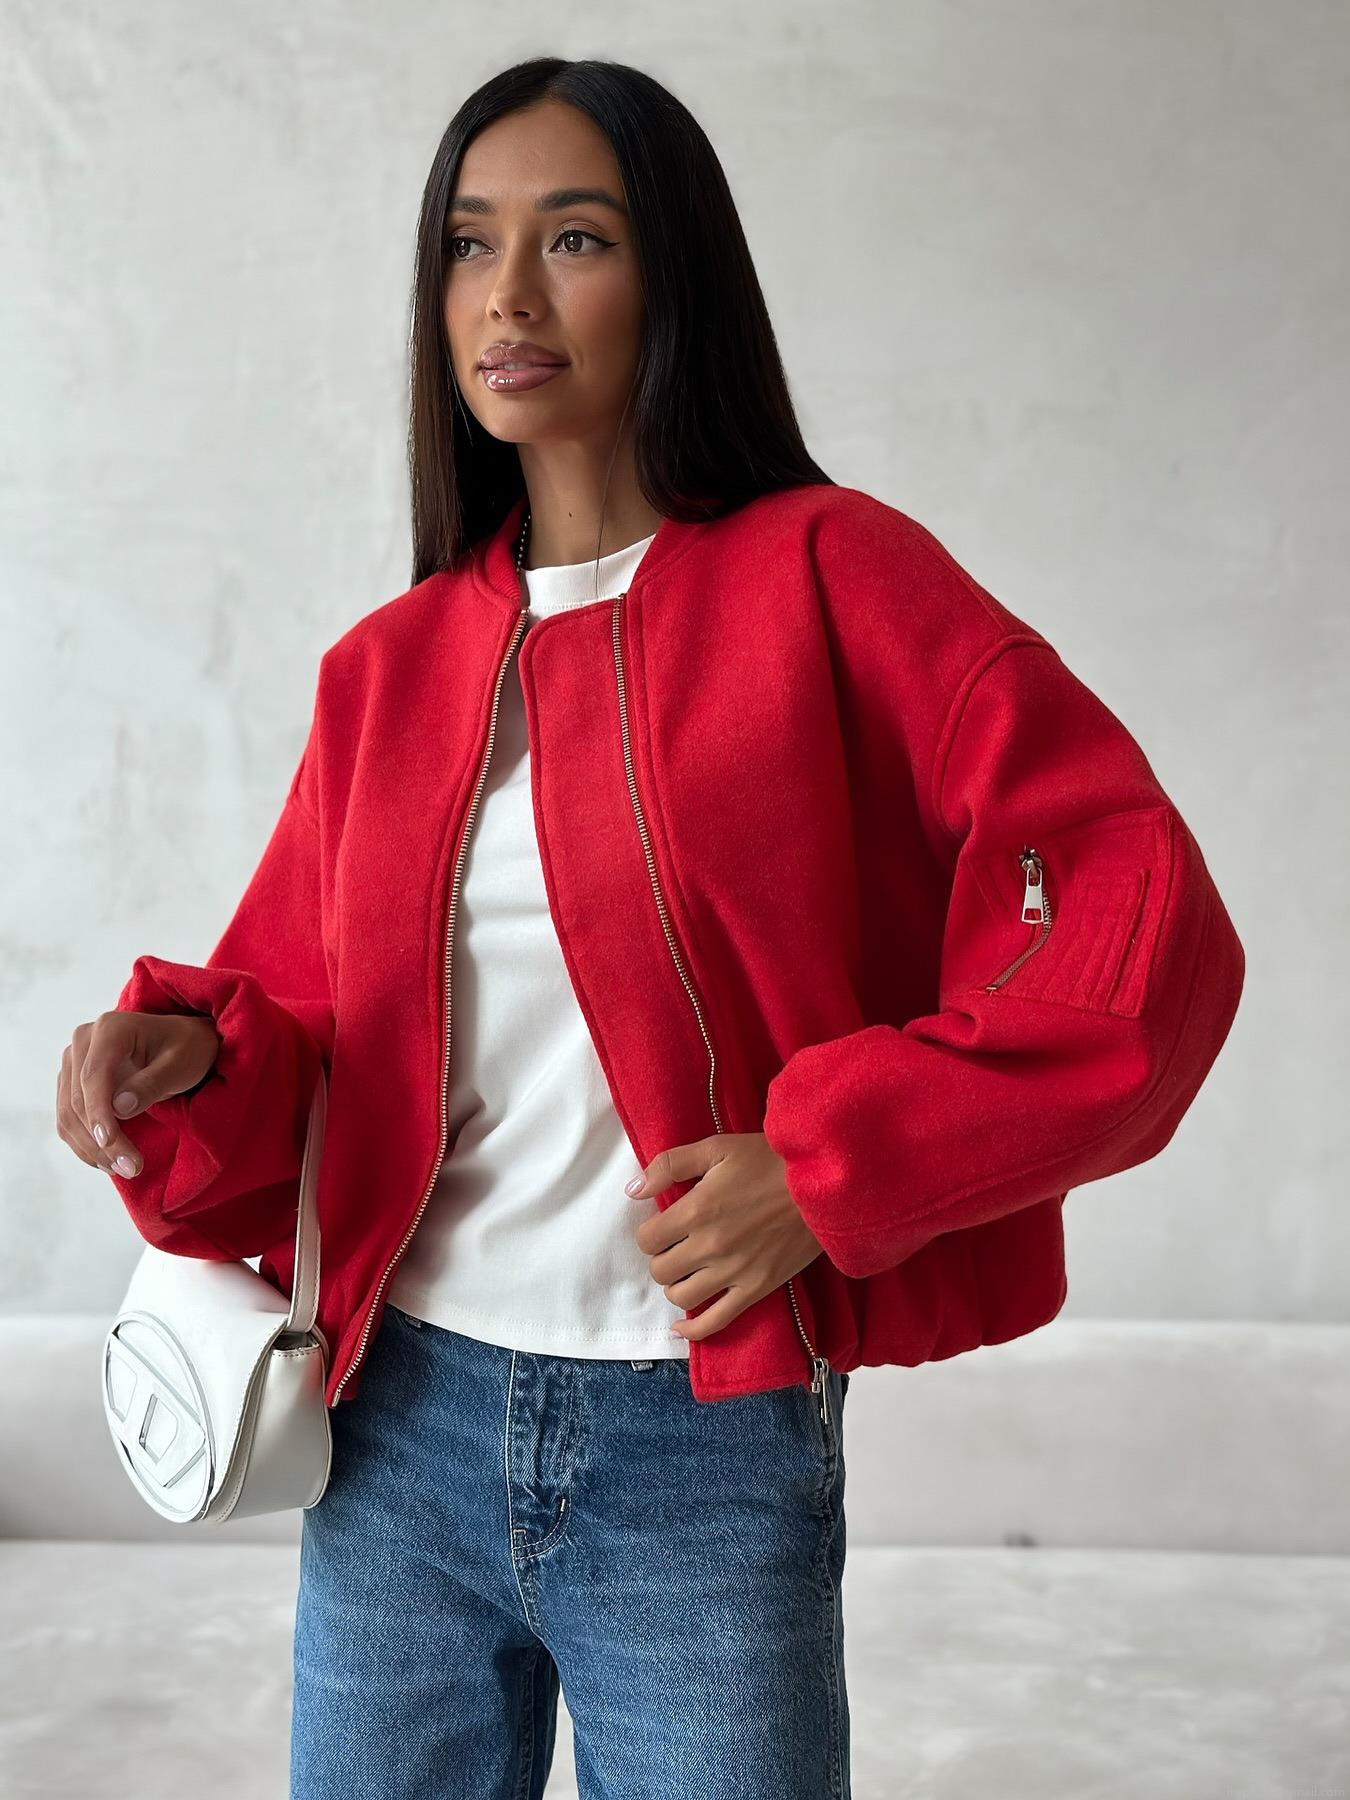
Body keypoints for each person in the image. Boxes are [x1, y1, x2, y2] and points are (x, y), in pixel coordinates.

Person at [57, 57, 1245, 1800]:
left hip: (695, 1448)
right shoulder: (388, 671)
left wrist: (830, 1168)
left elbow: (1135, 917)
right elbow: (315, 1041)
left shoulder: (835, 578)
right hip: (394, 1436)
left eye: (575, 238)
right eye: (468, 245)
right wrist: (184, 1064)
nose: (508, 296)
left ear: (672, 274)